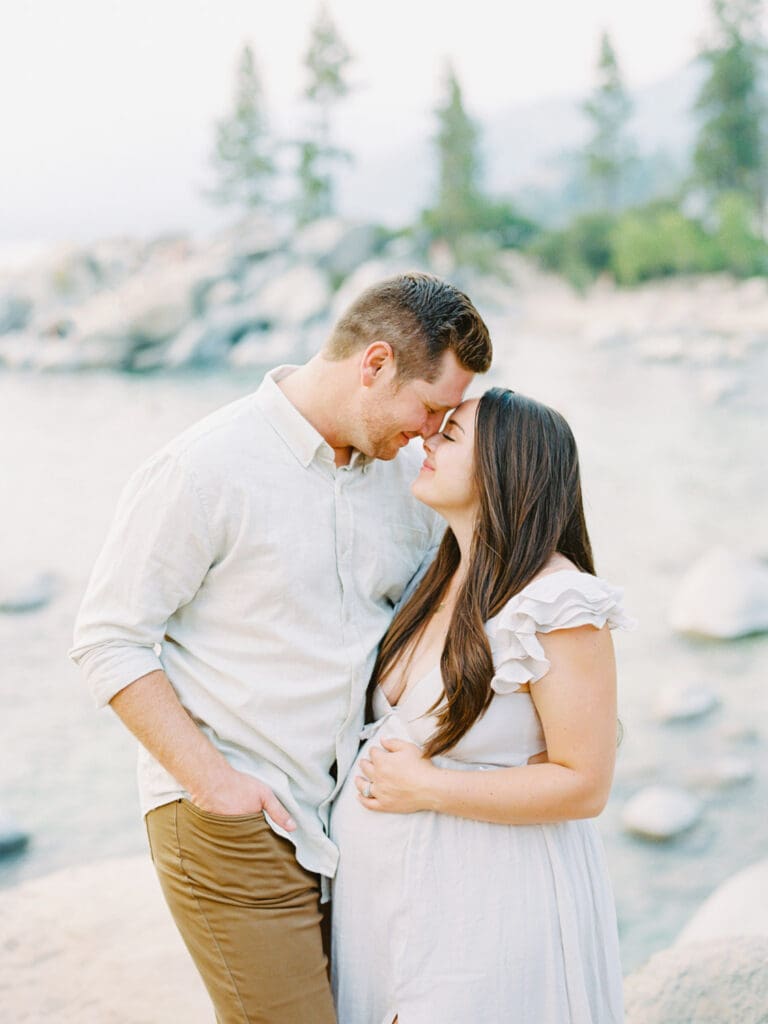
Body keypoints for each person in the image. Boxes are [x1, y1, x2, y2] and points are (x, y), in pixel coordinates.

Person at [69, 272, 492, 1024]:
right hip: (233, 818)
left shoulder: (405, 484)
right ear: (375, 364)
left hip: (348, 828)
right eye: (430, 407)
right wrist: (214, 785)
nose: (432, 431)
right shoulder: (203, 468)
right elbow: (108, 640)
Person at [331, 388, 632, 1024]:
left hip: (488, 911)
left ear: (504, 465)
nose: (425, 443)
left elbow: (584, 785)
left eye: (450, 435)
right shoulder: (435, 576)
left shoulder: (559, 603)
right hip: (387, 912)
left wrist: (429, 788)